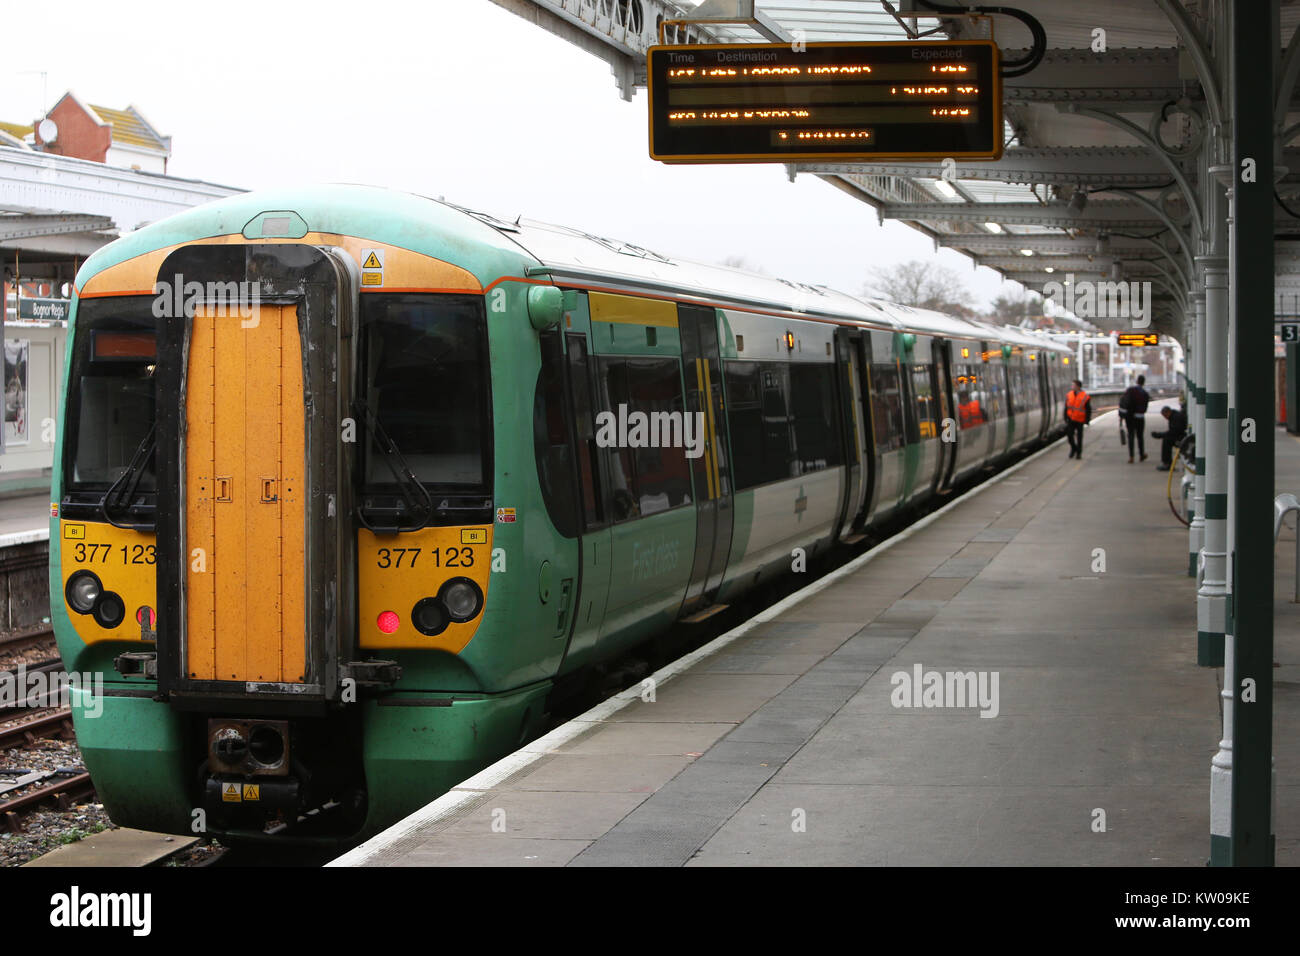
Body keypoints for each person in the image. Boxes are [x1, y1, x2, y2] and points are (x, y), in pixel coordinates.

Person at [1119, 374, 1151, 463]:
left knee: (1131, 436)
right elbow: (1145, 408)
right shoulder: (1145, 394)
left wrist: (1121, 416)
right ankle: (1141, 455)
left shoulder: (1130, 390)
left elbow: (1123, 402)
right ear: (1143, 383)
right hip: (1140, 418)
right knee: (1140, 437)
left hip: (1129, 417)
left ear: (1137, 381)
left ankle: (1131, 457)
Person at [1152, 404, 1188, 470]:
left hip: (1182, 438)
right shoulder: (1173, 416)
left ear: (1168, 412)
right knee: (1167, 439)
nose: (1165, 418)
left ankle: (1167, 463)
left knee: (1167, 441)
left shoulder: (1176, 417)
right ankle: (1166, 462)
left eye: (1165, 416)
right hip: (1181, 436)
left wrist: (1160, 435)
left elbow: (1174, 432)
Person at [1064, 378, 1091, 459]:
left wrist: (1087, 420)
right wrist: (1065, 417)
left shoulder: (1085, 396)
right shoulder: (1069, 395)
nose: (1072, 386)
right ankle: (1074, 448)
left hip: (1080, 420)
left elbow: (1088, 409)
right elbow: (1066, 407)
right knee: (1069, 436)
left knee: (1079, 438)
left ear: (1078, 387)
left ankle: (1078, 453)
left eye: (1073, 385)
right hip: (1071, 419)